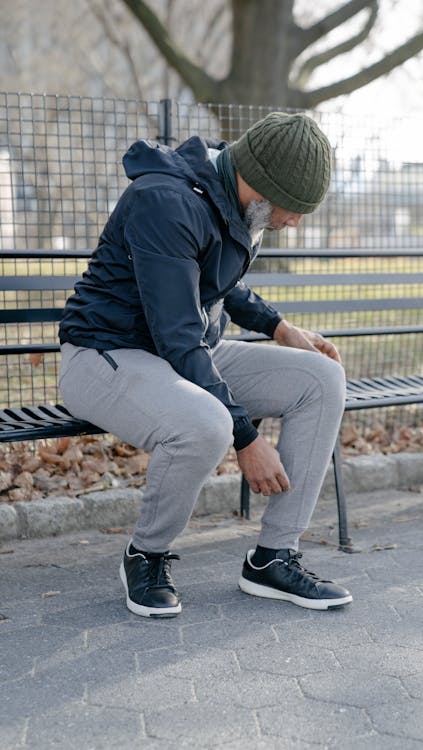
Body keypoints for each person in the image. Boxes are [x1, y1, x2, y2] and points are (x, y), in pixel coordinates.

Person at [58, 111, 352, 618]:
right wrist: (248, 439)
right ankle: (145, 555)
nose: (293, 221)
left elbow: (221, 281)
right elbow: (177, 335)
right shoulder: (164, 202)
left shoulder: (226, 195)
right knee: (208, 424)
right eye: (291, 208)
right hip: (104, 356)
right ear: (259, 185)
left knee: (321, 378)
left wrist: (280, 328)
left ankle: (273, 558)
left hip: (184, 355)